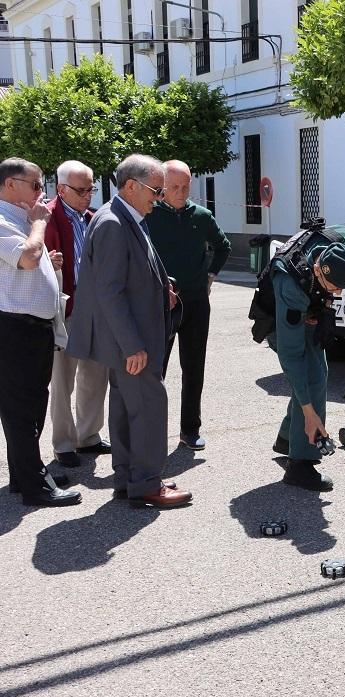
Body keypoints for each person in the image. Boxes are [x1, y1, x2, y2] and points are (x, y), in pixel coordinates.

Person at [67, 154, 192, 509]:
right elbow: (109, 291)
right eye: (156, 189)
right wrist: (133, 345)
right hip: (132, 341)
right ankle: (148, 483)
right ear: (132, 186)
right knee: (150, 406)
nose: (160, 196)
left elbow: (129, 273)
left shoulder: (126, 216)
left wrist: (160, 286)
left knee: (126, 408)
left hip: (132, 338)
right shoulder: (113, 223)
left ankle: (130, 478)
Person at [0, 157, 79, 506]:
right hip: (17, 327)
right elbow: (28, 257)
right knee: (22, 408)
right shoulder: (6, 220)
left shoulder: (20, 219)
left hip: (33, 326)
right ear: (9, 184)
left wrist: (50, 259)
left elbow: (29, 265)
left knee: (32, 404)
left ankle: (25, 473)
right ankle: (34, 486)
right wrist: (39, 226)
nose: (41, 192)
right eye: (35, 185)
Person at [147, 159, 231, 451]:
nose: (181, 193)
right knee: (156, 371)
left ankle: (190, 430)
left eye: (185, 187)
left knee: (194, 368)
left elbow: (223, 246)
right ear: (162, 186)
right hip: (162, 304)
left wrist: (210, 274)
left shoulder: (202, 216)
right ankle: (152, 432)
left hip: (196, 303)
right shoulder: (150, 214)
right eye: (174, 187)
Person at [271, 240, 345, 491]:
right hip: (284, 321)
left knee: (319, 372)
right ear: (319, 270)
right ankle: (300, 464)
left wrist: (325, 306)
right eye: (335, 288)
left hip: (308, 310)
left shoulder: (335, 250)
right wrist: (310, 414)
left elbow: (327, 290)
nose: (339, 293)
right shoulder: (290, 284)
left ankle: (288, 439)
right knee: (311, 377)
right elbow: (291, 358)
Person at [46, 160, 109, 469]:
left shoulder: (93, 218)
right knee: (62, 380)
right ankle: (63, 443)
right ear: (61, 189)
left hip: (95, 311)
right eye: (81, 190)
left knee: (96, 376)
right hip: (66, 309)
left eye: (91, 188)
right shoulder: (46, 218)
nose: (87, 195)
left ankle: (89, 436)